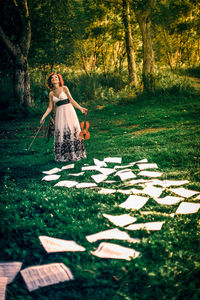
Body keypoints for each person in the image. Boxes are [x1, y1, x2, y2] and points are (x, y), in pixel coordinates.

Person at [40, 72, 88, 162]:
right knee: (62, 132)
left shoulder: (64, 88)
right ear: (50, 81)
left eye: (56, 77)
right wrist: (43, 117)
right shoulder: (51, 93)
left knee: (71, 130)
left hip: (69, 111)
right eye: (52, 78)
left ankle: (75, 153)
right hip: (60, 113)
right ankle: (64, 155)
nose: (54, 79)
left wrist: (80, 108)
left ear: (59, 80)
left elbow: (71, 100)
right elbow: (50, 107)